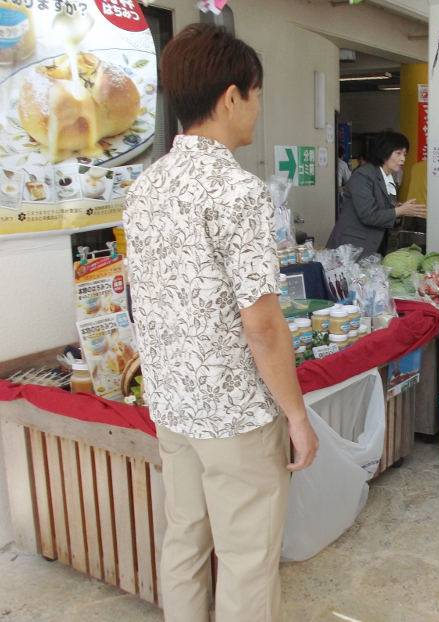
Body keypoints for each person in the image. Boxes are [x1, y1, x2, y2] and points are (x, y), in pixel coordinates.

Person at [123, 24, 318, 622]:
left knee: (184, 539)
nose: (258, 107)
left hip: (172, 402)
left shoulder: (144, 186)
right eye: (256, 94)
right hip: (235, 414)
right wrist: (297, 415)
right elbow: (262, 324)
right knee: (247, 560)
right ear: (231, 97)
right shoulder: (238, 191)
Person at [326, 131, 425, 255]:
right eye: (398, 153)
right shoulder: (363, 175)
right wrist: (398, 211)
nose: (403, 159)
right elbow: (368, 215)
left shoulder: (388, 178)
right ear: (384, 151)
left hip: (374, 245)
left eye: (404, 154)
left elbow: (379, 210)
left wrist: (395, 209)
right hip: (352, 247)